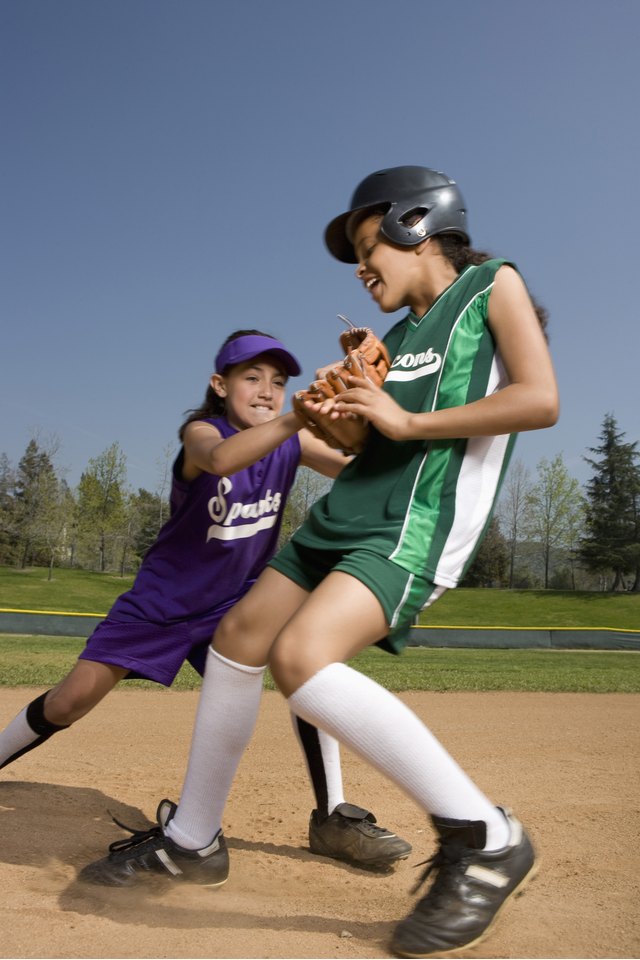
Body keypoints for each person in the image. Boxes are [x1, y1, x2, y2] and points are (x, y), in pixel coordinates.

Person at [81, 166, 559, 958]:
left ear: (420, 224)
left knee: (301, 658)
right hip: (347, 513)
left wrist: (402, 421)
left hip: (412, 520)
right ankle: (192, 840)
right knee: (239, 638)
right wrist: (347, 407)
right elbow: (358, 443)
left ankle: (487, 835)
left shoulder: (487, 285)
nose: (362, 266)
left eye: (371, 245)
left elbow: (539, 399)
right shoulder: (398, 337)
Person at [0, 328, 411, 873]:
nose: (267, 390)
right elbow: (219, 460)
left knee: (305, 663)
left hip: (236, 606)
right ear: (220, 385)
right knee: (69, 702)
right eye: (252, 378)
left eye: (278, 381)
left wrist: (382, 415)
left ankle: (333, 815)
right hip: (163, 602)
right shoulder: (201, 433)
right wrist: (297, 416)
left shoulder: (294, 442)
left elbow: (361, 469)